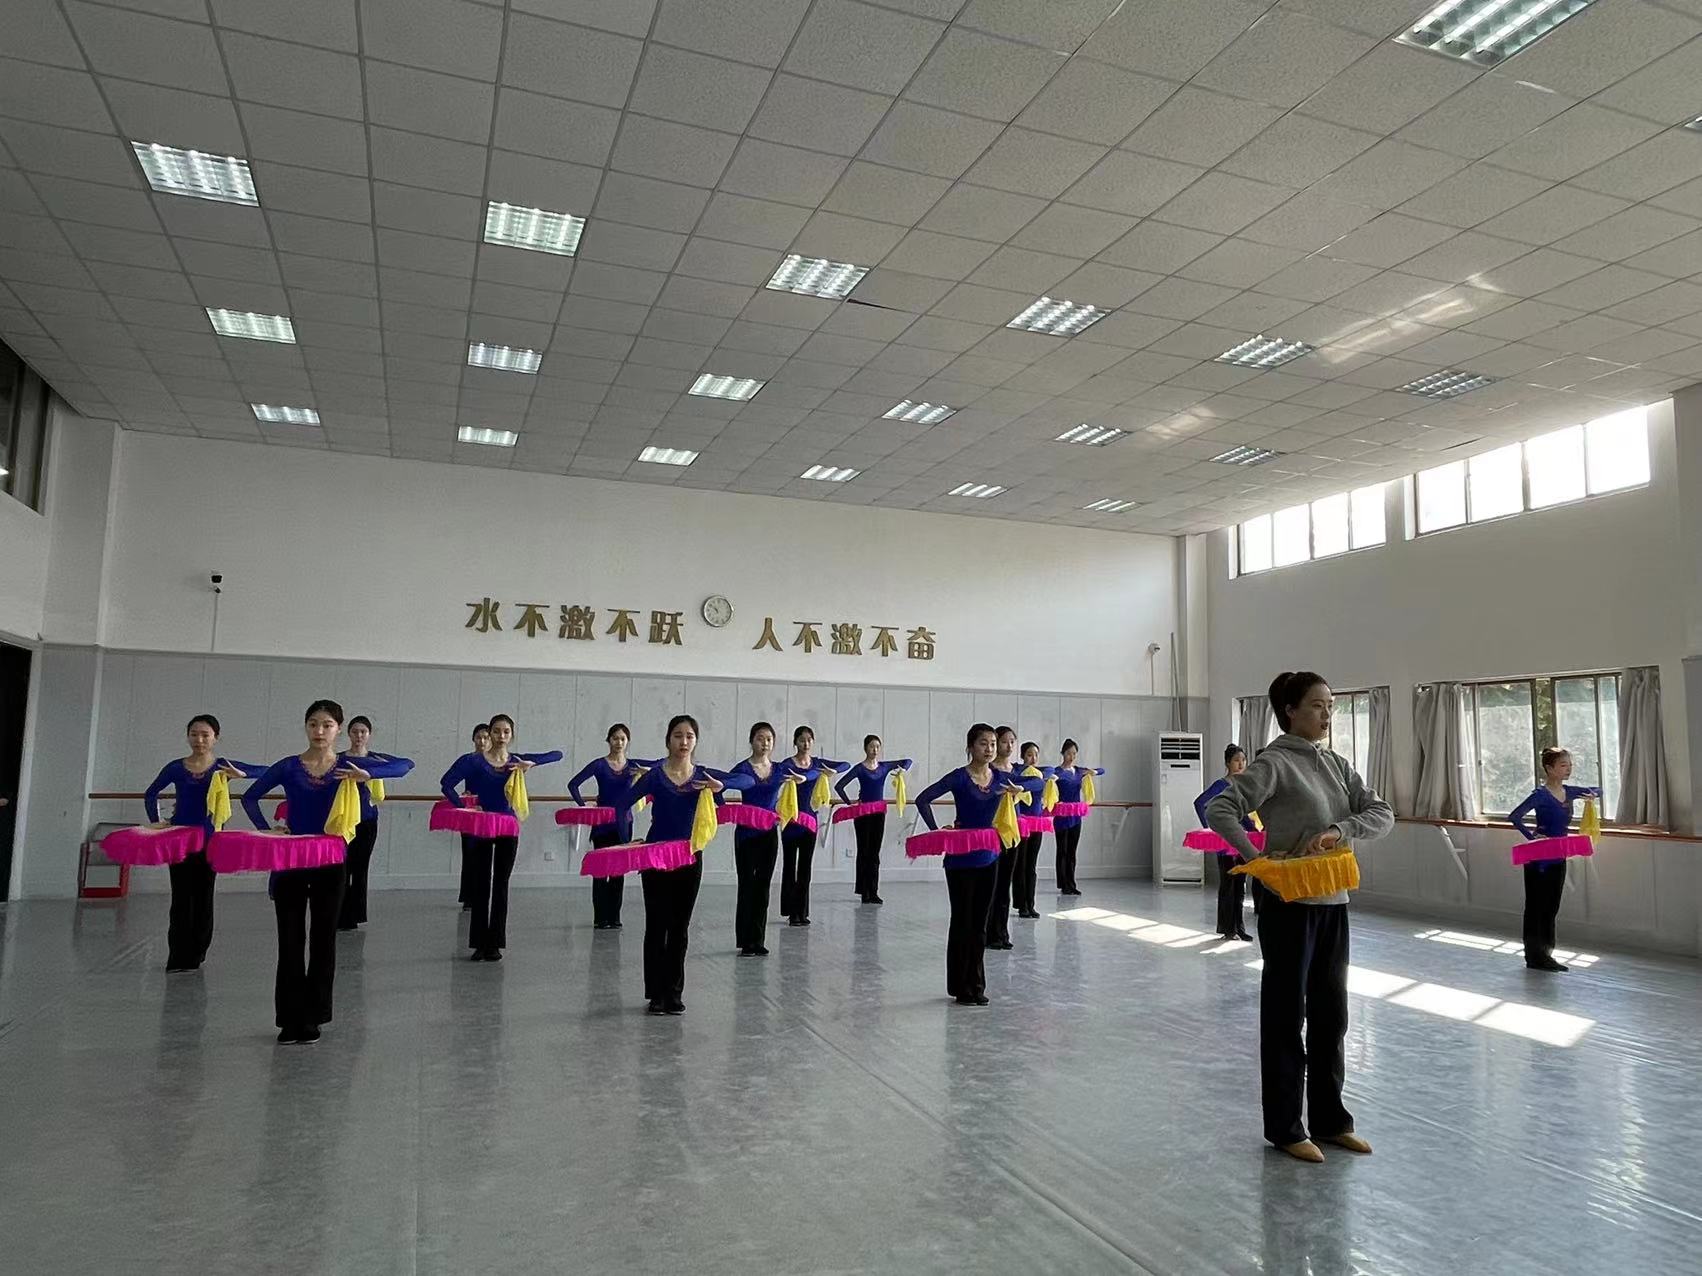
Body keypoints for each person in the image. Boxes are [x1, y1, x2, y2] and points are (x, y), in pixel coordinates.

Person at [1207, 672, 1393, 1163]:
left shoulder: (1336, 764)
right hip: (1288, 904)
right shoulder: (1275, 762)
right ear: (1290, 711)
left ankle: (1331, 1121)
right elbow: (1220, 808)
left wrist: (1338, 830)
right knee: (1287, 1016)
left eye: (1330, 705)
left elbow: (1381, 813)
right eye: (1316, 705)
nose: (1327, 714)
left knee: (1332, 1016)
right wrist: (1258, 860)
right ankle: (1286, 1127)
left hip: (1333, 901)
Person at [241, 699, 412, 1044]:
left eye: (327, 725)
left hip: (330, 860)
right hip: (291, 859)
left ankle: (314, 1016)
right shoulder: (289, 766)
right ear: (306, 727)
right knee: (290, 939)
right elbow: (250, 797)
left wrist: (368, 774)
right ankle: (289, 1018)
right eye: (313, 724)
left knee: (323, 939)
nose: (319, 731)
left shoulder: (348, 765)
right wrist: (267, 829)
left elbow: (405, 765)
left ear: (338, 730)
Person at [611, 715, 748, 1013]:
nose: (683, 741)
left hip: (689, 857)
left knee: (679, 927)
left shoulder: (702, 776)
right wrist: (627, 842)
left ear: (695, 741)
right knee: (656, 925)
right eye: (677, 735)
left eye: (689, 736)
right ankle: (656, 993)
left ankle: (674, 992)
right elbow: (621, 805)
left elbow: (745, 780)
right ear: (668, 740)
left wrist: (720, 786)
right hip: (655, 857)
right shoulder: (654, 776)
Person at [914, 724, 1025, 1006]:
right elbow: (923, 799)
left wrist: (1021, 788)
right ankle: (960, 986)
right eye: (983, 743)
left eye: (993, 743)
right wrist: (937, 830)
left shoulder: (1001, 778)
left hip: (989, 855)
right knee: (962, 921)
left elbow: (1040, 781)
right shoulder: (959, 777)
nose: (989, 749)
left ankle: (977, 985)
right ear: (970, 747)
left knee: (980, 924)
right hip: (960, 858)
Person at [142, 714, 262, 971]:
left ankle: (197, 953)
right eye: (194, 734)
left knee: (203, 896)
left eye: (205, 735)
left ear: (216, 738)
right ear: (188, 736)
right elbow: (151, 793)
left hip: (210, 840)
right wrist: (156, 820)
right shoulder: (176, 767)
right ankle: (177, 956)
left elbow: (266, 771)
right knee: (180, 898)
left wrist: (240, 774)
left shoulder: (222, 766)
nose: (199, 740)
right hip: (180, 840)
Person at [438, 714, 562, 961]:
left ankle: (495, 943)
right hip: (482, 826)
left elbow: (557, 754)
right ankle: (478, 943)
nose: (501, 736)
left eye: (506, 732)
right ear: (490, 733)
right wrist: (465, 807)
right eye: (496, 731)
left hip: (507, 827)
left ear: (512, 735)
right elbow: (446, 784)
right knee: (481, 883)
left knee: (501, 883)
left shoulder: (516, 761)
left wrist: (530, 764)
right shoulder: (473, 761)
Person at [1508, 748, 1599, 973]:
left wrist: (1592, 795)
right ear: (1549, 768)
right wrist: (1533, 837)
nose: (1568, 769)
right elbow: (1515, 816)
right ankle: (1534, 955)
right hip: (1540, 857)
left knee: (1552, 905)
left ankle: (1546, 953)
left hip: (1559, 853)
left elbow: (1598, 790)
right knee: (1537, 905)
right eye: (1563, 765)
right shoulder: (1540, 794)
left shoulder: (1568, 792)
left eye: (1570, 765)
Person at [566, 725, 659, 930]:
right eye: (615, 738)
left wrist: (646, 772)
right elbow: (573, 784)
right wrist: (584, 806)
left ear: (627, 742)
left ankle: (614, 917)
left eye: (623, 739)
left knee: (618, 871)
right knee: (601, 871)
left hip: (624, 823)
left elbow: (661, 763)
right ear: (609, 740)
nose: (619, 742)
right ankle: (600, 918)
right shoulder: (599, 765)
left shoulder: (633, 765)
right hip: (602, 824)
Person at [337, 715, 414, 931]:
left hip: (367, 820)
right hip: (343, 821)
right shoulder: (338, 758)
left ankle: (355, 915)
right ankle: (339, 915)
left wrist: (369, 773)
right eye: (355, 731)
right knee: (341, 869)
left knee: (360, 868)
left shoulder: (376, 759)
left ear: (369, 735)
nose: (359, 736)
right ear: (348, 734)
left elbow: (407, 764)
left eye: (363, 732)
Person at [726, 722, 791, 955]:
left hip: (769, 834)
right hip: (746, 834)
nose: (765, 743)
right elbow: (719, 788)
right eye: (760, 738)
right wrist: (729, 811)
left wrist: (805, 779)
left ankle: (758, 939)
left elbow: (810, 772)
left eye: (769, 739)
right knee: (747, 885)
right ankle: (745, 941)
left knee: (763, 886)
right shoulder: (742, 768)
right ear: (752, 741)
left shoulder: (780, 769)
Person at [776, 726, 845, 926]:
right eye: (801, 740)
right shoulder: (787, 765)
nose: (805, 744)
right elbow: (772, 775)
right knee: (790, 865)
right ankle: (791, 911)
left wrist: (832, 771)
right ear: (795, 742)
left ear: (812, 742)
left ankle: (802, 912)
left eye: (809, 740)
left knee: (805, 868)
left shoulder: (817, 764)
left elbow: (845, 764)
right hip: (791, 821)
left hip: (810, 822)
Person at [834, 734, 912, 904]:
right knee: (864, 851)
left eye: (877, 746)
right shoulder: (859, 768)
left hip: (878, 813)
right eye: (871, 746)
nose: (875, 750)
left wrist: (902, 770)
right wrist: (850, 803)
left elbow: (908, 761)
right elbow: (839, 786)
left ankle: (874, 891)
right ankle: (864, 891)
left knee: (874, 852)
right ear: (865, 748)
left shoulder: (884, 767)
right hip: (862, 813)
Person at [987, 727, 1043, 948]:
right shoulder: (989, 769)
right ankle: (990, 933)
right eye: (1003, 742)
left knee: (1005, 883)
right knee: (992, 883)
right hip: (992, 829)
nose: (1008, 746)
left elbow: (1040, 780)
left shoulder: (1019, 769)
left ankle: (1002, 933)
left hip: (1012, 831)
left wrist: (1021, 786)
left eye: (1012, 741)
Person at [1196, 744, 1255, 942]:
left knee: (1240, 886)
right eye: (1237, 760)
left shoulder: (1244, 785)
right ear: (1228, 763)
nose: (1241, 764)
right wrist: (1211, 828)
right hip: (1225, 843)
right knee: (1228, 884)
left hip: (1242, 841)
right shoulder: (1221, 785)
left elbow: (1243, 814)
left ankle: (1239, 927)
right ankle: (1227, 928)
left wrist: (1255, 832)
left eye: (1243, 760)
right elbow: (1200, 803)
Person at [1051, 740, 1104, 896]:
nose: (1072, 756)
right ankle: (1063, 883)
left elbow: (1102, 770)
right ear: (1063, 753)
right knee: (1062, 850)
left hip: (1076, 815)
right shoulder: (1057, 772)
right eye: (1069, 753)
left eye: (1074, 753)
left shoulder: (1080, 771)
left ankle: (1071, 883)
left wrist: (1093, 772)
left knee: (1072, 851)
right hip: (1062, 815)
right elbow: (1047, 780)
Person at [1010, 741, 1049, 920]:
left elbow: (1050, 769)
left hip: (1037, 823)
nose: (1033, 758)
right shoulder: (1019, 773)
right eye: (1029, 755)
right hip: (1022, 823)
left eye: (1036, 755)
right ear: (1022, 756)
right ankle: (1021, 905)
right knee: (1021, 864)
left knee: (1031, 865)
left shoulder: (1039, 774)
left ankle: (1030, 903)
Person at [458, 723, 491, 910]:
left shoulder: (496, 762)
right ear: (473, 739)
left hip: (489, 811)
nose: (482, 741)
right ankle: (468, 897)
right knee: (469, 853)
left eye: (486, 737)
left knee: (485, 855)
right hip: (470, 811)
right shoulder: (467, 760)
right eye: (479, 737)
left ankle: (482, 895)